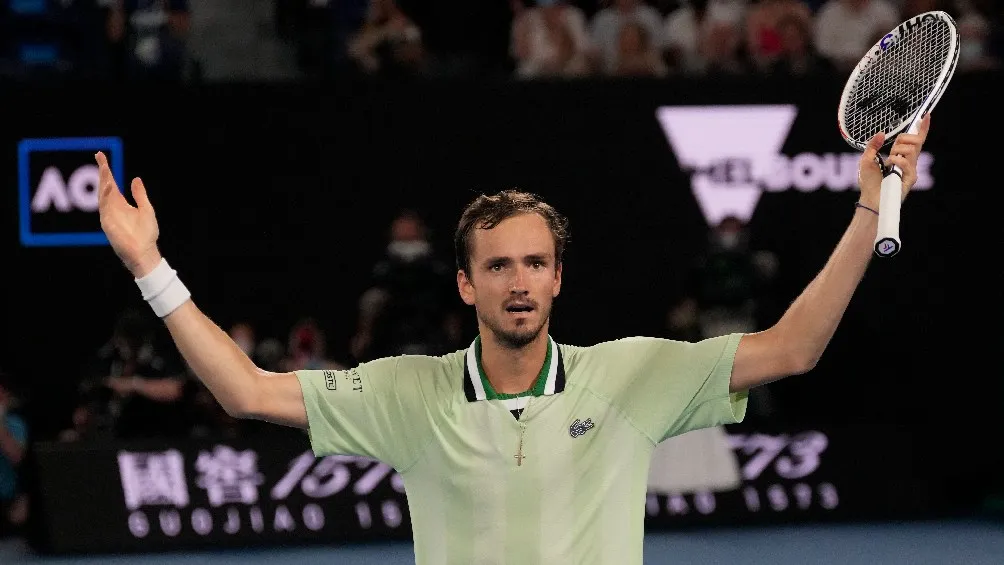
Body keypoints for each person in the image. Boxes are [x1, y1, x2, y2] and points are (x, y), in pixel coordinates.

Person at [91, 114, 930, 564]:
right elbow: (245, 390)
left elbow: (793, 347)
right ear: (466, 283)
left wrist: (866, 208)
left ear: (559, 276)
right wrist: (149, 265)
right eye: (498, 266)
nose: (519, 280)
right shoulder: (406, 393)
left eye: (535, 262)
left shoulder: (629, 375)